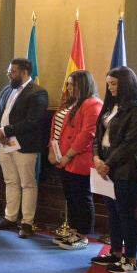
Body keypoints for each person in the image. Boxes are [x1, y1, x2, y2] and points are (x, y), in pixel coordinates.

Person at [90, 66, 137, 273]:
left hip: (127, 169)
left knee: (126, 213)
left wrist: (108, 163)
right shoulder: (110, 107)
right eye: (108, 83)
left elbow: (131, 143)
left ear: (126, 83)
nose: (110, 88)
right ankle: (116, 252)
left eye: (114, 84)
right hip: (106, 166)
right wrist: (97, 158)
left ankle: (132, 260)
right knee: (113, 213)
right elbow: (98, 137)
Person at [0, 57, 49, 238]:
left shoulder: (38, 93)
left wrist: (4, 131)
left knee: (27, 184)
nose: (9, 74)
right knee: (10, 182)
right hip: (4, 144)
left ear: (24, 72)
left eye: (12, 71)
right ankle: (10, 217)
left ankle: (27, 223)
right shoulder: (6, 90)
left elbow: (32, 121)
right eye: (9, 70)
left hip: (25, 146)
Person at [48, 70, 102, 249]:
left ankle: (82, 236)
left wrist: (68, 155)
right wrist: (57, 154)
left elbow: (87, 134)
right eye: (68, 84)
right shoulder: (76, 103)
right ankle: (73, 231)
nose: (69, 88)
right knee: (71, 197)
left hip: (80, 159)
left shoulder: (93, 103)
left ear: (83, 85)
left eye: (73, 84)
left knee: (82, 198)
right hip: (66, 160)